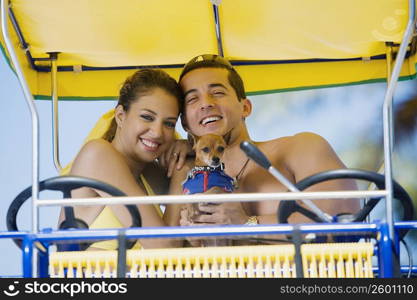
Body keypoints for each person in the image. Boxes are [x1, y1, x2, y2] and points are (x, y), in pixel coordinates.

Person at [165, 54, 360, 228]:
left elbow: (341, 220)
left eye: (218, 92)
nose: (206, 103)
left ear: (246, 107)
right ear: (185, 124)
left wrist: (247, 224)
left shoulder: (301, 147)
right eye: (192, 99)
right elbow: (163, 248)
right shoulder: (182, 170)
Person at [58, 69, 186, 249]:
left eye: (169, 124)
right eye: (147, 117)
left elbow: (195, 201)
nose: (157, 132)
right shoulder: (97, 155)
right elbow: (165, 248)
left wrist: (188, 149)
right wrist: (183, 168)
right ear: (120, 116)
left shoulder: (147, 170)